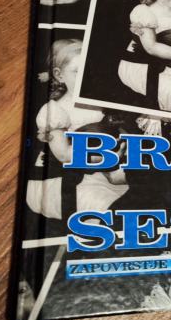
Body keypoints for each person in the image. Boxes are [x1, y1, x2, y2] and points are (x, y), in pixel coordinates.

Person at [26, 39, 129, 219]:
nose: (85, 78)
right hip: (63, 180)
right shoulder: (55, 110)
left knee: (143, 191)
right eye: (77, 72)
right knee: (104, 207)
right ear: (59, 75)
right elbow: (64, 155)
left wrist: (126, 147)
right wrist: (105, 157)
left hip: (102, 170)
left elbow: (118, 132)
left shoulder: (99, 103)